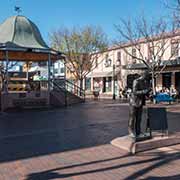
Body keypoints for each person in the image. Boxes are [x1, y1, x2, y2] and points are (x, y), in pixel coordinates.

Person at [128, 70, 151, 138]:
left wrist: (149, 93)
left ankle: (138, 132)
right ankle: (131, 131)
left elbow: (145, 93)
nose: (148, 77)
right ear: (143, 75)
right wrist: (144, 91)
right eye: (147, 75)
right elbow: (134, 92)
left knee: (139, 118)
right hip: (134, 102)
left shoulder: (145, 82)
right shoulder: (136, 81)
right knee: (132, 118)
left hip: (140, 102)